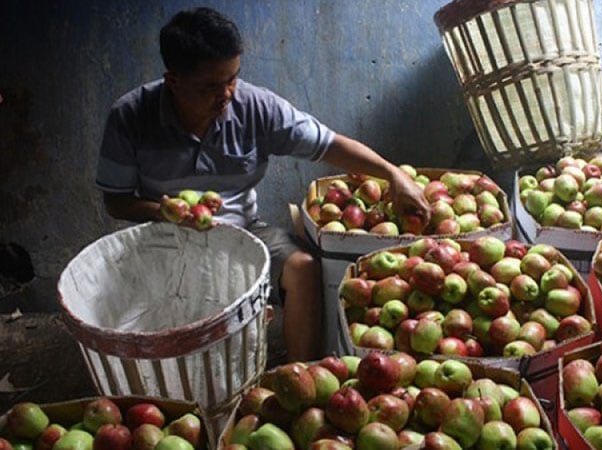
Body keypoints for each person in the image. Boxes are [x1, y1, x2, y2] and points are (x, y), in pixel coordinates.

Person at [95, 7, 430, 363]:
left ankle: (301, 377)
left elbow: (328, 144)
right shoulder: (131, 115)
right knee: (151, 308)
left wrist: (393, 174)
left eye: (233, 78)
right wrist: (165, 212)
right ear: (173, 80)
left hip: (245, 233)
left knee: (303, 267)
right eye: (210, 86)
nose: (226, 94)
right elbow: (116, 201)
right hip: (165, 239)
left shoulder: (254, 106)